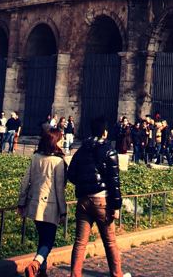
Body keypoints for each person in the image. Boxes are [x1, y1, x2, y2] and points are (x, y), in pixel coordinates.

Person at [67, 116, 130, 277]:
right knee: (110, 242)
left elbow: (71, 174)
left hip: (83, 200)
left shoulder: (82, 150)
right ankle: (117, 274)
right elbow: (114, 182)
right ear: (104, 132)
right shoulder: (109, 151)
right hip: (102, 201)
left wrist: (84, 184)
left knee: (80, 242)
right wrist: (116, 206)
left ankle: (75, 274)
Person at [17, 128, 68, 277]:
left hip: (34, 203)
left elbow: (25, 181)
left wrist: (21, 202)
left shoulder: (35, 157)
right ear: (55, 141)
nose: (63, 141)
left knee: (42, 237)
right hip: (50, 206)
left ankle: (41, 271)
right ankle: (36, 264)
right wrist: (63, 210)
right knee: (49, 241)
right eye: (61, 138)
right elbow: (59, 189)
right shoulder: (58, 161)